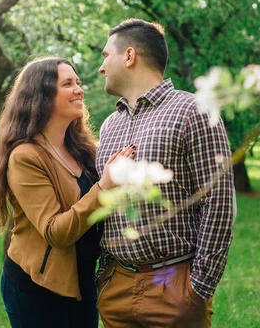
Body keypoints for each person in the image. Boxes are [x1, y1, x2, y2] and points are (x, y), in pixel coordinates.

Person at [95, 19, 236, 328]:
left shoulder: (193, 110)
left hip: (173, 286)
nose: (101, 67)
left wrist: (198, 288)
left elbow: (219, 203)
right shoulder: (109, 125)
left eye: (106, 56)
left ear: (129, 56)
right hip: (115, 287)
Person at [0, 57, 135, 328]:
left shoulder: (83, 149)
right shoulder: (25, 157)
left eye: (78, 82)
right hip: (38, 285)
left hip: (83, 279)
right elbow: (56, 231)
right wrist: (103, 186)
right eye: (67, 84)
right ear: (42, 96)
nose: (79, 89)